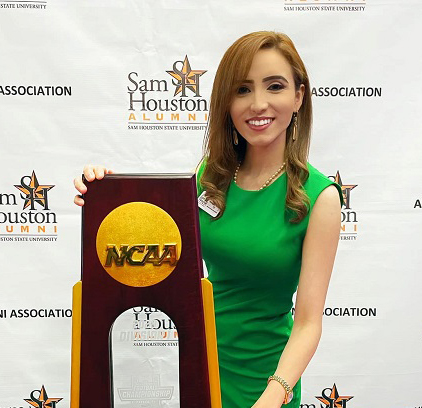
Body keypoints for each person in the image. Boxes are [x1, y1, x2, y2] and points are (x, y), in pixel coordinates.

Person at [74, 31, 342, 408]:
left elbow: (309, 323)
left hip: (265, 381)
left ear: (299, 96)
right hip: (199, 368)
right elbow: (158, 247)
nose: (258, 104)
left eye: (275, 86)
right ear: (227, 103)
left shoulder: (320, 197)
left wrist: (274, 393)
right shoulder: (210, 177)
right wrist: (107, 195)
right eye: (243, 90)